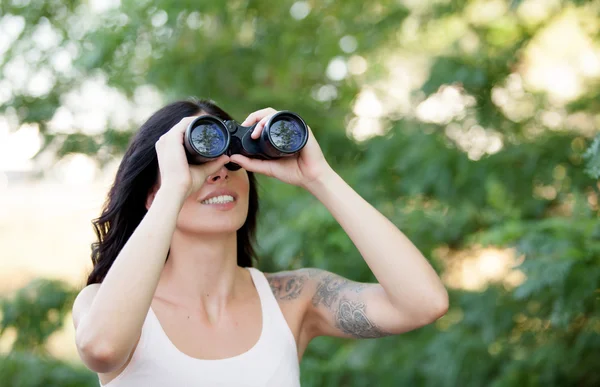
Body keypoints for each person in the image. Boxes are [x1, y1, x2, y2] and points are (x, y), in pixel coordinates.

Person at [72, 99, 449, 386]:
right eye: (198, 163)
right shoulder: (102, 304)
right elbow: (103, 350)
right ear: (152, 193)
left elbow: (422, 303)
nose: (220, 174)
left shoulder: (293, 298)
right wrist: (174, 186)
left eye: (232, 162)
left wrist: (319, 176)